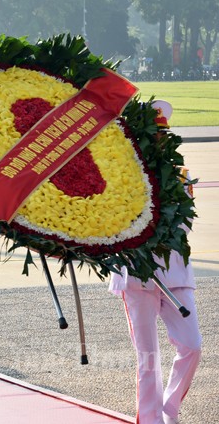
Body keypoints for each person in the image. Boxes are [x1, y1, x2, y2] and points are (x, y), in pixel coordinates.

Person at [109, 100, 201, 424]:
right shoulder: (125, 175)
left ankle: (169, 407)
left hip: (174, 271)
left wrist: (157, 234)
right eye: (155, 133)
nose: (160, 138)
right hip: (137, 276)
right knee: (147, 359)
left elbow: (185, 223)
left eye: (164, 133)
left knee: (192, 346)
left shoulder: (181, 174)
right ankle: (150, 420)